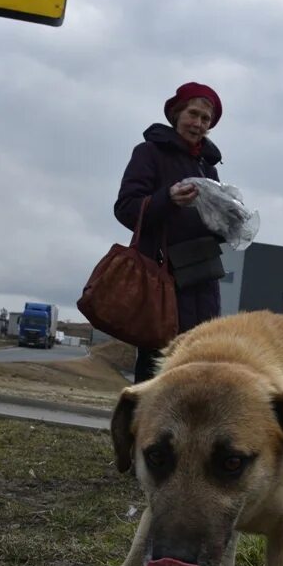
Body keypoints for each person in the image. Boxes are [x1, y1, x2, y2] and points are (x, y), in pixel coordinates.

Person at [114, 82, 227, 382]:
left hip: (203, 281)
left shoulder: (209, 168)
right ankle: (142, 429)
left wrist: (227, 222)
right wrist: (167, 198)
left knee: (196, 370)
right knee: (156, 369)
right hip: (163, 282)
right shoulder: (149, 153)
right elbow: (125, 208)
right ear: (177, 114)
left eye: (206, 119)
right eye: (194, 114)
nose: (199, 123)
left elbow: (206, 221)